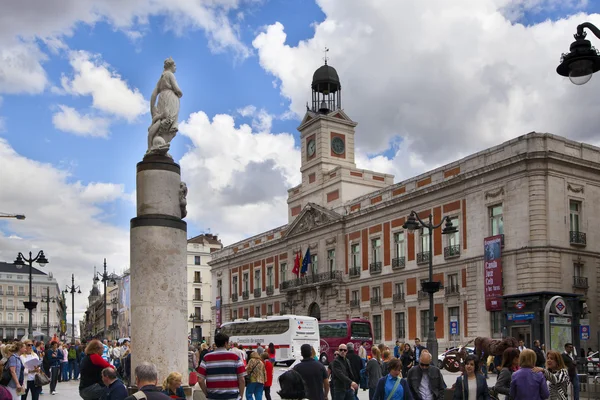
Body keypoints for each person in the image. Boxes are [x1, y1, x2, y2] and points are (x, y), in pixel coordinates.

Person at [197, 332, 246, 400]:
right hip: (232, 396)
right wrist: (241, 396)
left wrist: (207, 394)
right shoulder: (235, 357)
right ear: (226, 343)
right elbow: (242, 380)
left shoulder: (206, 358)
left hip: (213, 396)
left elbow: (200, 380)